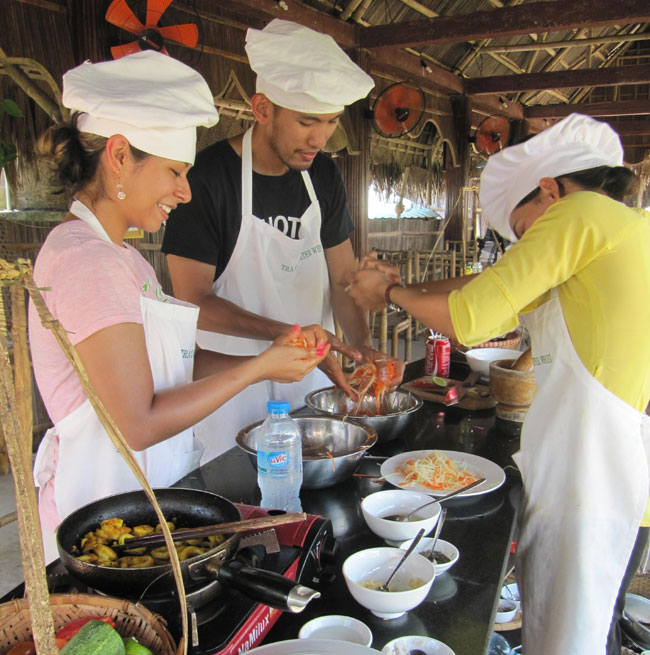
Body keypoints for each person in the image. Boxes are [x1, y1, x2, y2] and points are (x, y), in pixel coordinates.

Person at [347, 113, 650, 655]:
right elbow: (492, 284)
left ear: (552, 190)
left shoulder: (581, 214)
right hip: (600, 465)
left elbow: (472, 318)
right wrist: (401, 283)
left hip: (605, 472)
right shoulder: (616, 229)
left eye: (526, 232)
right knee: (585, 626)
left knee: (576, 637)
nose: (526, 248)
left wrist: (389, 296)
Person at [29, 51, 329, 562]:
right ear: (120, 156)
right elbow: (138, 423)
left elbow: (178, 365)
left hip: (140, 499)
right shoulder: (87, 263)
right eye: (174, 171)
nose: (185, 192)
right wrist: (259, 366)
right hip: (104, 522)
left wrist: (267, 363)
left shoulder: (122, 258)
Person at [161, 19, 404, 463]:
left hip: (312, 381)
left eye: (330, 122)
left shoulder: (325, 176)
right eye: (306, 121)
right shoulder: (207, 179)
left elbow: (343, 279)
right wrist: (289, 338)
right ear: (262, 108)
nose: (319, 138)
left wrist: (362, 346)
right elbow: (193, 300)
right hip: (231, 385)